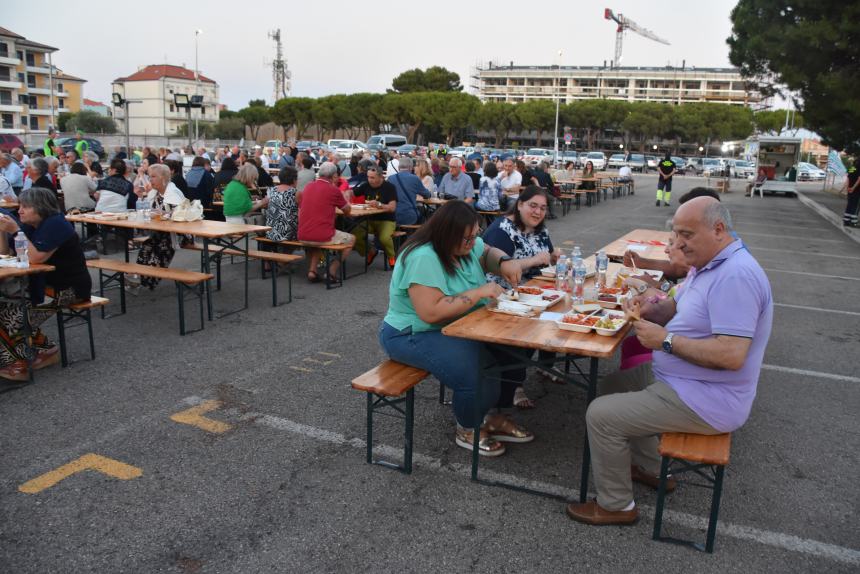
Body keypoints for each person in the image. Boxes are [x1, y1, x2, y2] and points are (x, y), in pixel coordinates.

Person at [566, 197, 773, 525]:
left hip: (708, 398)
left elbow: (732, 355)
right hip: (685, 381)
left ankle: (616, 506)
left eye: (686, 235)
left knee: (601, 415)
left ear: (718, 229)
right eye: (675, 234)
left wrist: (665, 340)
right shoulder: (709, 265)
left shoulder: (736, 276)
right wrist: (651, 306)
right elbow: (675, 307)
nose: (677, 243)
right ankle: (649, 467)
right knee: (607, 386)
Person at [378, 201, 534, 456]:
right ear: (445, 233)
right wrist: (480, 292)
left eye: (475, 236)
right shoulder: (423, 256)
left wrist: (504, 262)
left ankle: (488, 417)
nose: (473, 243)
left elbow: (486, 253)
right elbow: (431, 312)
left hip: (456, 325)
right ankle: (468, 427)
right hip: (412, 333)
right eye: (467, 238)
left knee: (508, 354)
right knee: (472, 371)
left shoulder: (466, 244)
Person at [0, 187, 91, 380]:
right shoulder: (31, 225)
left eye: (25, 206)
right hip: (42, 285)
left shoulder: (56, 224)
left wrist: (15, 231)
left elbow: (36, 258)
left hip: (68, 288)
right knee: (5, 308)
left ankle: (19, 365)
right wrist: (2, 231)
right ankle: (45, 351)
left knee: (13, 317)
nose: (19, 210)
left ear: (40, 207)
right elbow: (7, 253)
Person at [482, 186, 559, 408]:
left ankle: (546, 365)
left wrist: (553, 257)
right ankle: (513, 384)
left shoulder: (540, 230)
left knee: (559, 310)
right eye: (533, 206)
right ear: (520, 204)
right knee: (532, 323)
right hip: (502, 295)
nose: (538, 212)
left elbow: (547, 257)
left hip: (533, 291)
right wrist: (535, 260)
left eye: (543, 208)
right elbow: (500, 268)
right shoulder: (502, 230)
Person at [297, 162, 355, 283]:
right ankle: (331, 271)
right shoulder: (333, 190)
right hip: (321, 235)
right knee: (351, 239)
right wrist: (345, 200)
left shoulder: (308, 187)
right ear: (334, 175)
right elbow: (347, 211)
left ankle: (312, 271)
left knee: (318, 238)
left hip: (302, 234)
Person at [135, 164, 186, 290]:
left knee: (161, 247)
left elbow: (181, 216)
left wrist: (161, 215)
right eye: (149, 176)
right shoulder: (155, 192)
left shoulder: (173, 193)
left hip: (179, 233)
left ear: (163, 178)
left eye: (153, 177)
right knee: (146, 246)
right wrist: (141, 197)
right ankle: (139, 279)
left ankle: (149, 280)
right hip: (162, 231)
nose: (150, 180)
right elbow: (148, 210)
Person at [352, 166, 398, 268]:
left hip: (386, 219)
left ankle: (392, 257)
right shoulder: (366, 185)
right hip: (370, 218)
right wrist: (346, 194)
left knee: (384, 238)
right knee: (354, 235)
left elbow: (392, 207)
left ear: (381, 177)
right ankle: (371, 251)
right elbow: (352, 192)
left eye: (372, 178)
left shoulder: (389, 187)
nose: (369, 180)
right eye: (368, 177)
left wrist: (380, 205)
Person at [387, 157, 430, 226]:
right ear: (411, 167)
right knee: (425, 216)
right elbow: (427, 195)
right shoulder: (414, 178)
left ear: (398, 167)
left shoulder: (390, 178)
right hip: (409, 216)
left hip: (393, 216)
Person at [265, 166, 299, 242]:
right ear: (294, 180)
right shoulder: (295, 192)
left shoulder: (271, 190)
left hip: (271, 233)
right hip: (289, 235)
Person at [843, 163, 860, 227]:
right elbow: (859, 179)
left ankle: (846, 221)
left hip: (849, 190)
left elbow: (848, 177)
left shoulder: (852, 168)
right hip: (857, 191)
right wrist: (853, 188)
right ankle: (853, 222)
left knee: (849, 205)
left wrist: (847, 188)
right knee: (855, 207)